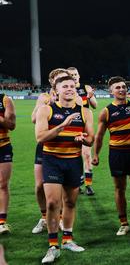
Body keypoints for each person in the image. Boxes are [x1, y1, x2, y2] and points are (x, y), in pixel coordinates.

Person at [35, 74, 94, 263]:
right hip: (52, 160)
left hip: (73, 161)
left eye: (72, 86)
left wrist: (83, 139)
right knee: (53, 203)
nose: (69, 89)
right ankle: (53, 245)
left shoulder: (85, 112)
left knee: (70, 202)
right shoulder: (46, 110)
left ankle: (68, 239)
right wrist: (63, 125)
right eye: (65, 86)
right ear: (57, 90)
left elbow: (90, 138)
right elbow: (41, 137)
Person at [92, 76, 130, 236]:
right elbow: (99, 136)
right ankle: (123, 223)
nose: (122, 89)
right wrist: (95, 154)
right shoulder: (106, 112)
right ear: (111, 91)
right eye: (118, 87)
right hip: (116, 154)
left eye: (123, 86)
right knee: (119, 188)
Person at [30, 68, 77, 234]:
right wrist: (47, 105)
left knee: (64, 189)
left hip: (66, 145)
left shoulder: (73, 96)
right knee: (39, 185)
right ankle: (44, 217)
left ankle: (63, 219)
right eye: (58, 78)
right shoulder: (44, 97)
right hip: (45, 144)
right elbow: (33, 119)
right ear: (53, 82)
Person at [67, 67, 97, 196]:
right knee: (72, 155)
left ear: (79, 75)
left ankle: (88, 185)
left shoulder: (86, 88)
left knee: (86, 154)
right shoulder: (66, 89)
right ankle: (76, 183)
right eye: (71, 74)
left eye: (75, 74)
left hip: (84, 124)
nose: (74, 76)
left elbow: (95, 105)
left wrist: (90, 96)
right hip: (70, 125)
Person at [0, 93, 16, 234]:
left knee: (3, 184)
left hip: (3, 146)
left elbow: (11, 125)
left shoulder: (5, 100)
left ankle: (2, 222)